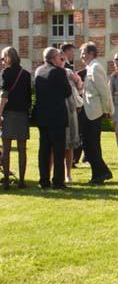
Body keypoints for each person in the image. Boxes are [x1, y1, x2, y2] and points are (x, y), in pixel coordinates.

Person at [33, 47, 71, 189]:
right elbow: (67, 92)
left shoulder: (38, 71)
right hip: (57, 117)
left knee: (44, 150)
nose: (61, 59)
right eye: (59, 57)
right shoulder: (59, 72)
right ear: (54, 58)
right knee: (58, 150)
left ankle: (43, 180)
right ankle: (58, 181)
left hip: (43, 117)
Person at [81, 42, 114, 185]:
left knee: (92, 145)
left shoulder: (95, 68)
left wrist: (107, 110)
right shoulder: (90, 67)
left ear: (90, 53)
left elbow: (104, 92)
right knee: (89, 145)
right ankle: (101, 172)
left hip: (94, 113)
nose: (81, 56)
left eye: (83, 53)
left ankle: (100, 174)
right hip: (89, 111)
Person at [0, 46, 31, 189]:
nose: (2, 61)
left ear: (8, 57)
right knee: (22, 148)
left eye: (3, 58)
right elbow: (28, 96)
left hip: (8, 114)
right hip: (22, 114)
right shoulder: (26, 74)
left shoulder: (5, 73)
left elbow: (4, 96)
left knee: (6, 149)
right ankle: (22, 181)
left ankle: (6, 180)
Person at [56, 48, 83, 183]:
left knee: (70, 144)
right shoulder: (51, 72)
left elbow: (79, 89)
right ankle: (55, 174)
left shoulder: (68, 72)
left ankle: (68, 174)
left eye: (63, 59)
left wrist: (77, 80)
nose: (62, 62)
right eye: (60, 59)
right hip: (57, 111)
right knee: (55, 145)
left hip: (70, 110)